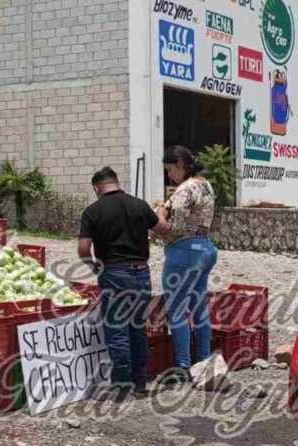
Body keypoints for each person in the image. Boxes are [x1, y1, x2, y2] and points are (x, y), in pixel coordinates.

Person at [78, 167, 169, 399]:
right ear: (117, 182)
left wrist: (95, 267)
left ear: (97, 188)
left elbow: (83, 249)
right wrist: (162, 213)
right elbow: (163, 230)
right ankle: (139, 385)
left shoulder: (92, 211)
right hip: (141, 273)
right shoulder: (139, 205)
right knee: (137, 330)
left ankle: (120, 389)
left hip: (113, 274)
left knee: (117, 331)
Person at [155, 146, 218, 382]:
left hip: (184, 253)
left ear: (180, 164)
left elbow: (173, 231)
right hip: (206, 249)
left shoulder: (185, 190)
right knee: (199, 306)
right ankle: (204, 359)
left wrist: (159, 217)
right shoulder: (205, 184)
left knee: (176, 308)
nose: (169, 175)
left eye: (170, 169)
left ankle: (182, 365)